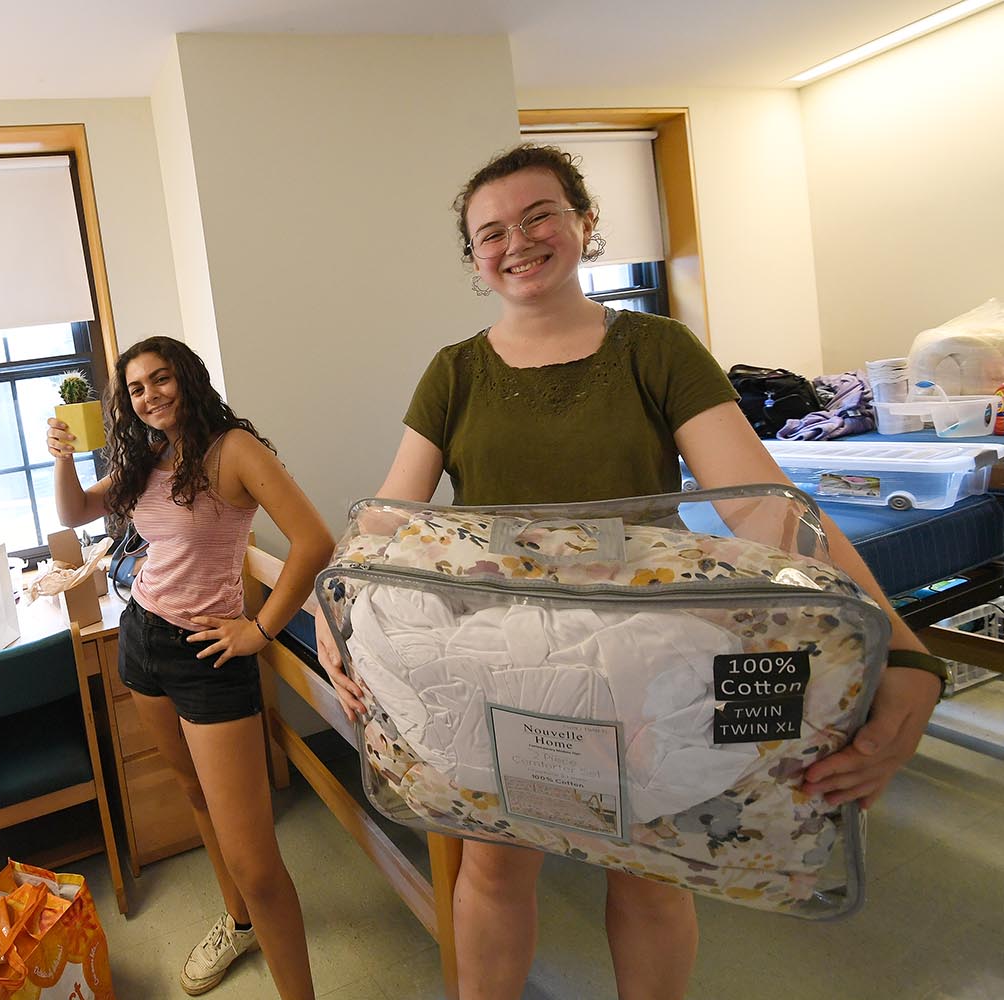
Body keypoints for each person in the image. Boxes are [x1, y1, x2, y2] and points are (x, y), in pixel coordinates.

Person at [314, 144, 946, 1000]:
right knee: (496, 873)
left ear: (584, 222)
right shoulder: (455, 371)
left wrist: (903, 653)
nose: (518, 241)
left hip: (638, 660)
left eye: (539, 215)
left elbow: (765, 509)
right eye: (491, 232)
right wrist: (332, 604)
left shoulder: (656, 348)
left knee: (646, 871)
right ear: (474, 259)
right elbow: (392, 517)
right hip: (500, 659)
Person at [49, 336, 332, 999]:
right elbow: (74, 511)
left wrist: (260, 630)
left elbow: (315, 541)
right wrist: (62, 458)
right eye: (137, 389)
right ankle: (237, 923)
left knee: (257, 862)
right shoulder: (148, 456)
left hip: (210, 656)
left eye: (161, 379)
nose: (150, 395)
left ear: (189, 378)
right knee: (194, 793)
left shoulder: (234, 451)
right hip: (143, 638)